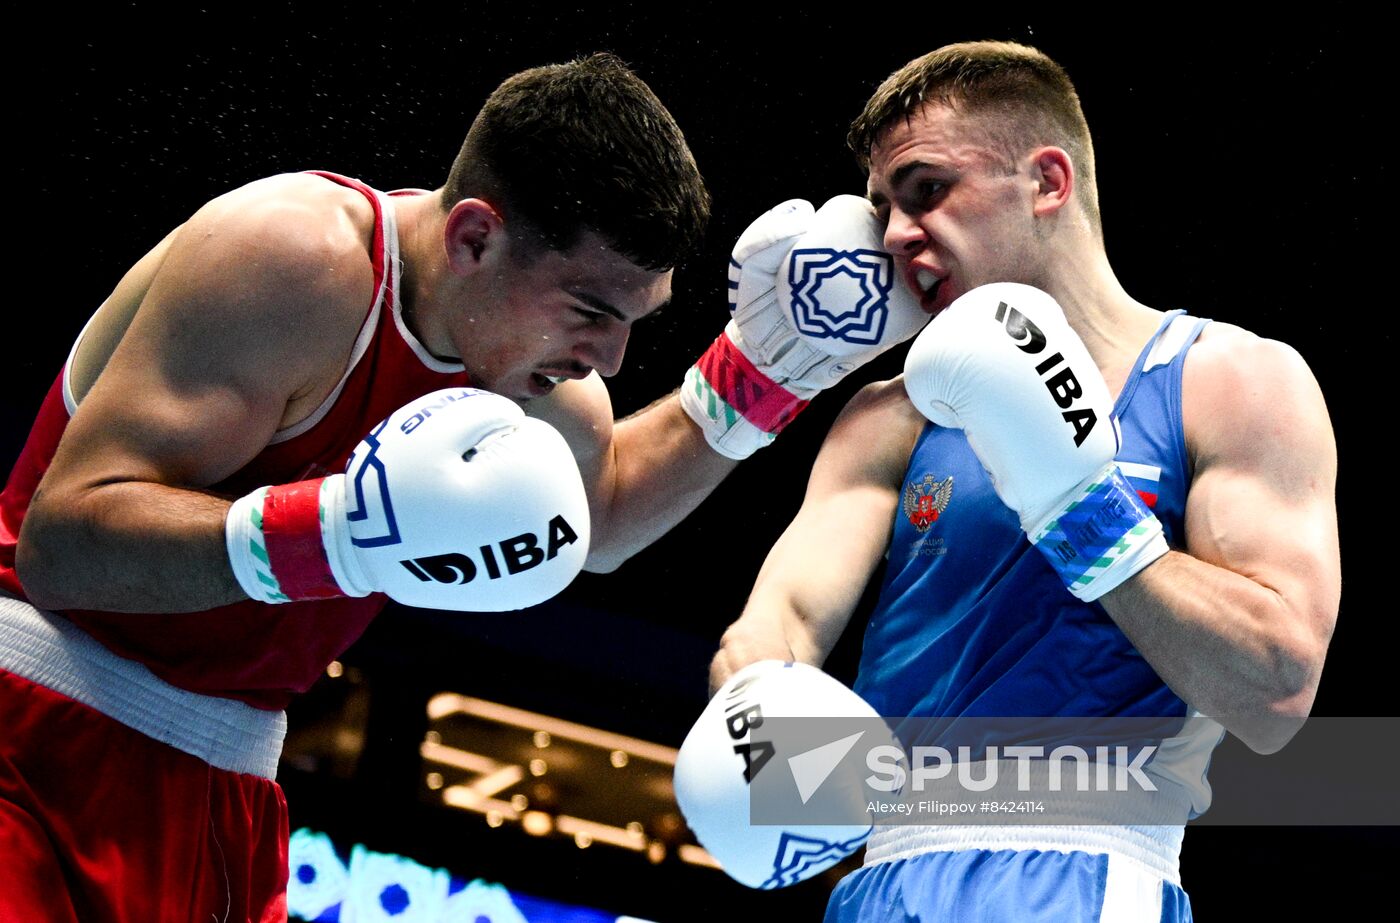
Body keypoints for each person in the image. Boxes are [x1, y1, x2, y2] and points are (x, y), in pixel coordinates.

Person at [0, 53, 925, 921]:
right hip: (30, 733)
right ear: (474, 234)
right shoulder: (295, 259)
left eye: (634, 320)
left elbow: (594, 521)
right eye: (591, 310)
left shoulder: (525, 370)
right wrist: (333, 532)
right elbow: (61, 548)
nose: (608, 358)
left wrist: (768, 368)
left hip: (225, 786)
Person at [682, 41, 1340, 919]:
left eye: (926, 190)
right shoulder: (890, 413)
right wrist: (758, 709)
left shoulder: (1229, 381)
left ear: (1047, 182)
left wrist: (1084, 512)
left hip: (1088, 875)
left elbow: (1276, 691)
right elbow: (781, 622)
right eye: (881, 207)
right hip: (881, 883)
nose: (893, 236)